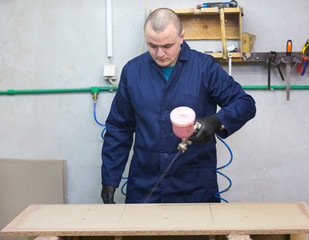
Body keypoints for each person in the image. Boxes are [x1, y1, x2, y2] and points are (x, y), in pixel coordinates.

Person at [101, 8, 256, 204]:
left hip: (195, 185)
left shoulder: (204, 67)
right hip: (145, 184)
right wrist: (109, 179)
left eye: (167, 45)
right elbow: (119, 128)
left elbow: (245, 103)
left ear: (181, 37)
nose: (160, 53)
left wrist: (217, 121)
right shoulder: (132, 71)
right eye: (152, 45)